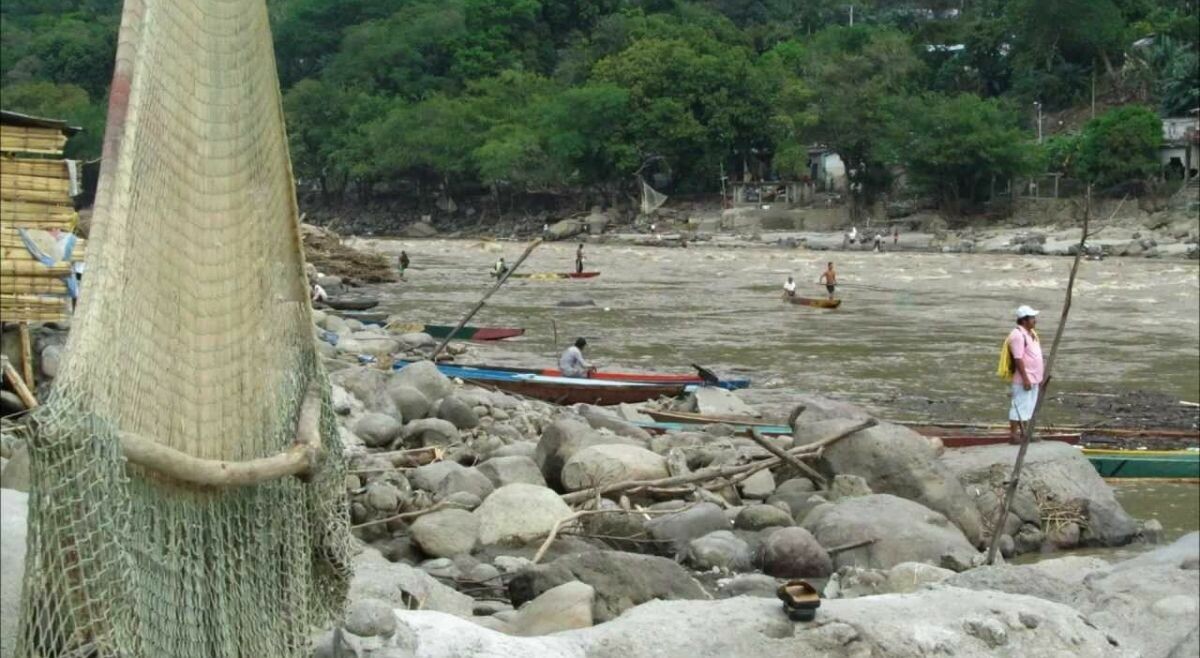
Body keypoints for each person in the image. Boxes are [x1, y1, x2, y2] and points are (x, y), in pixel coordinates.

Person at [1000, 305, 1044, 444]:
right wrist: (1025, 378)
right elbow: (1018, 359)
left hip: (1034, 377)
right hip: (1024, 378)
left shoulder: (1032, 334)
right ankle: (1013, 435)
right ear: (1024, 320)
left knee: (1029, 407)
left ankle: (1025, 433)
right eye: (1032, 318)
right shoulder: (1017, 335)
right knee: (1019, 406)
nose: (1035, 320)